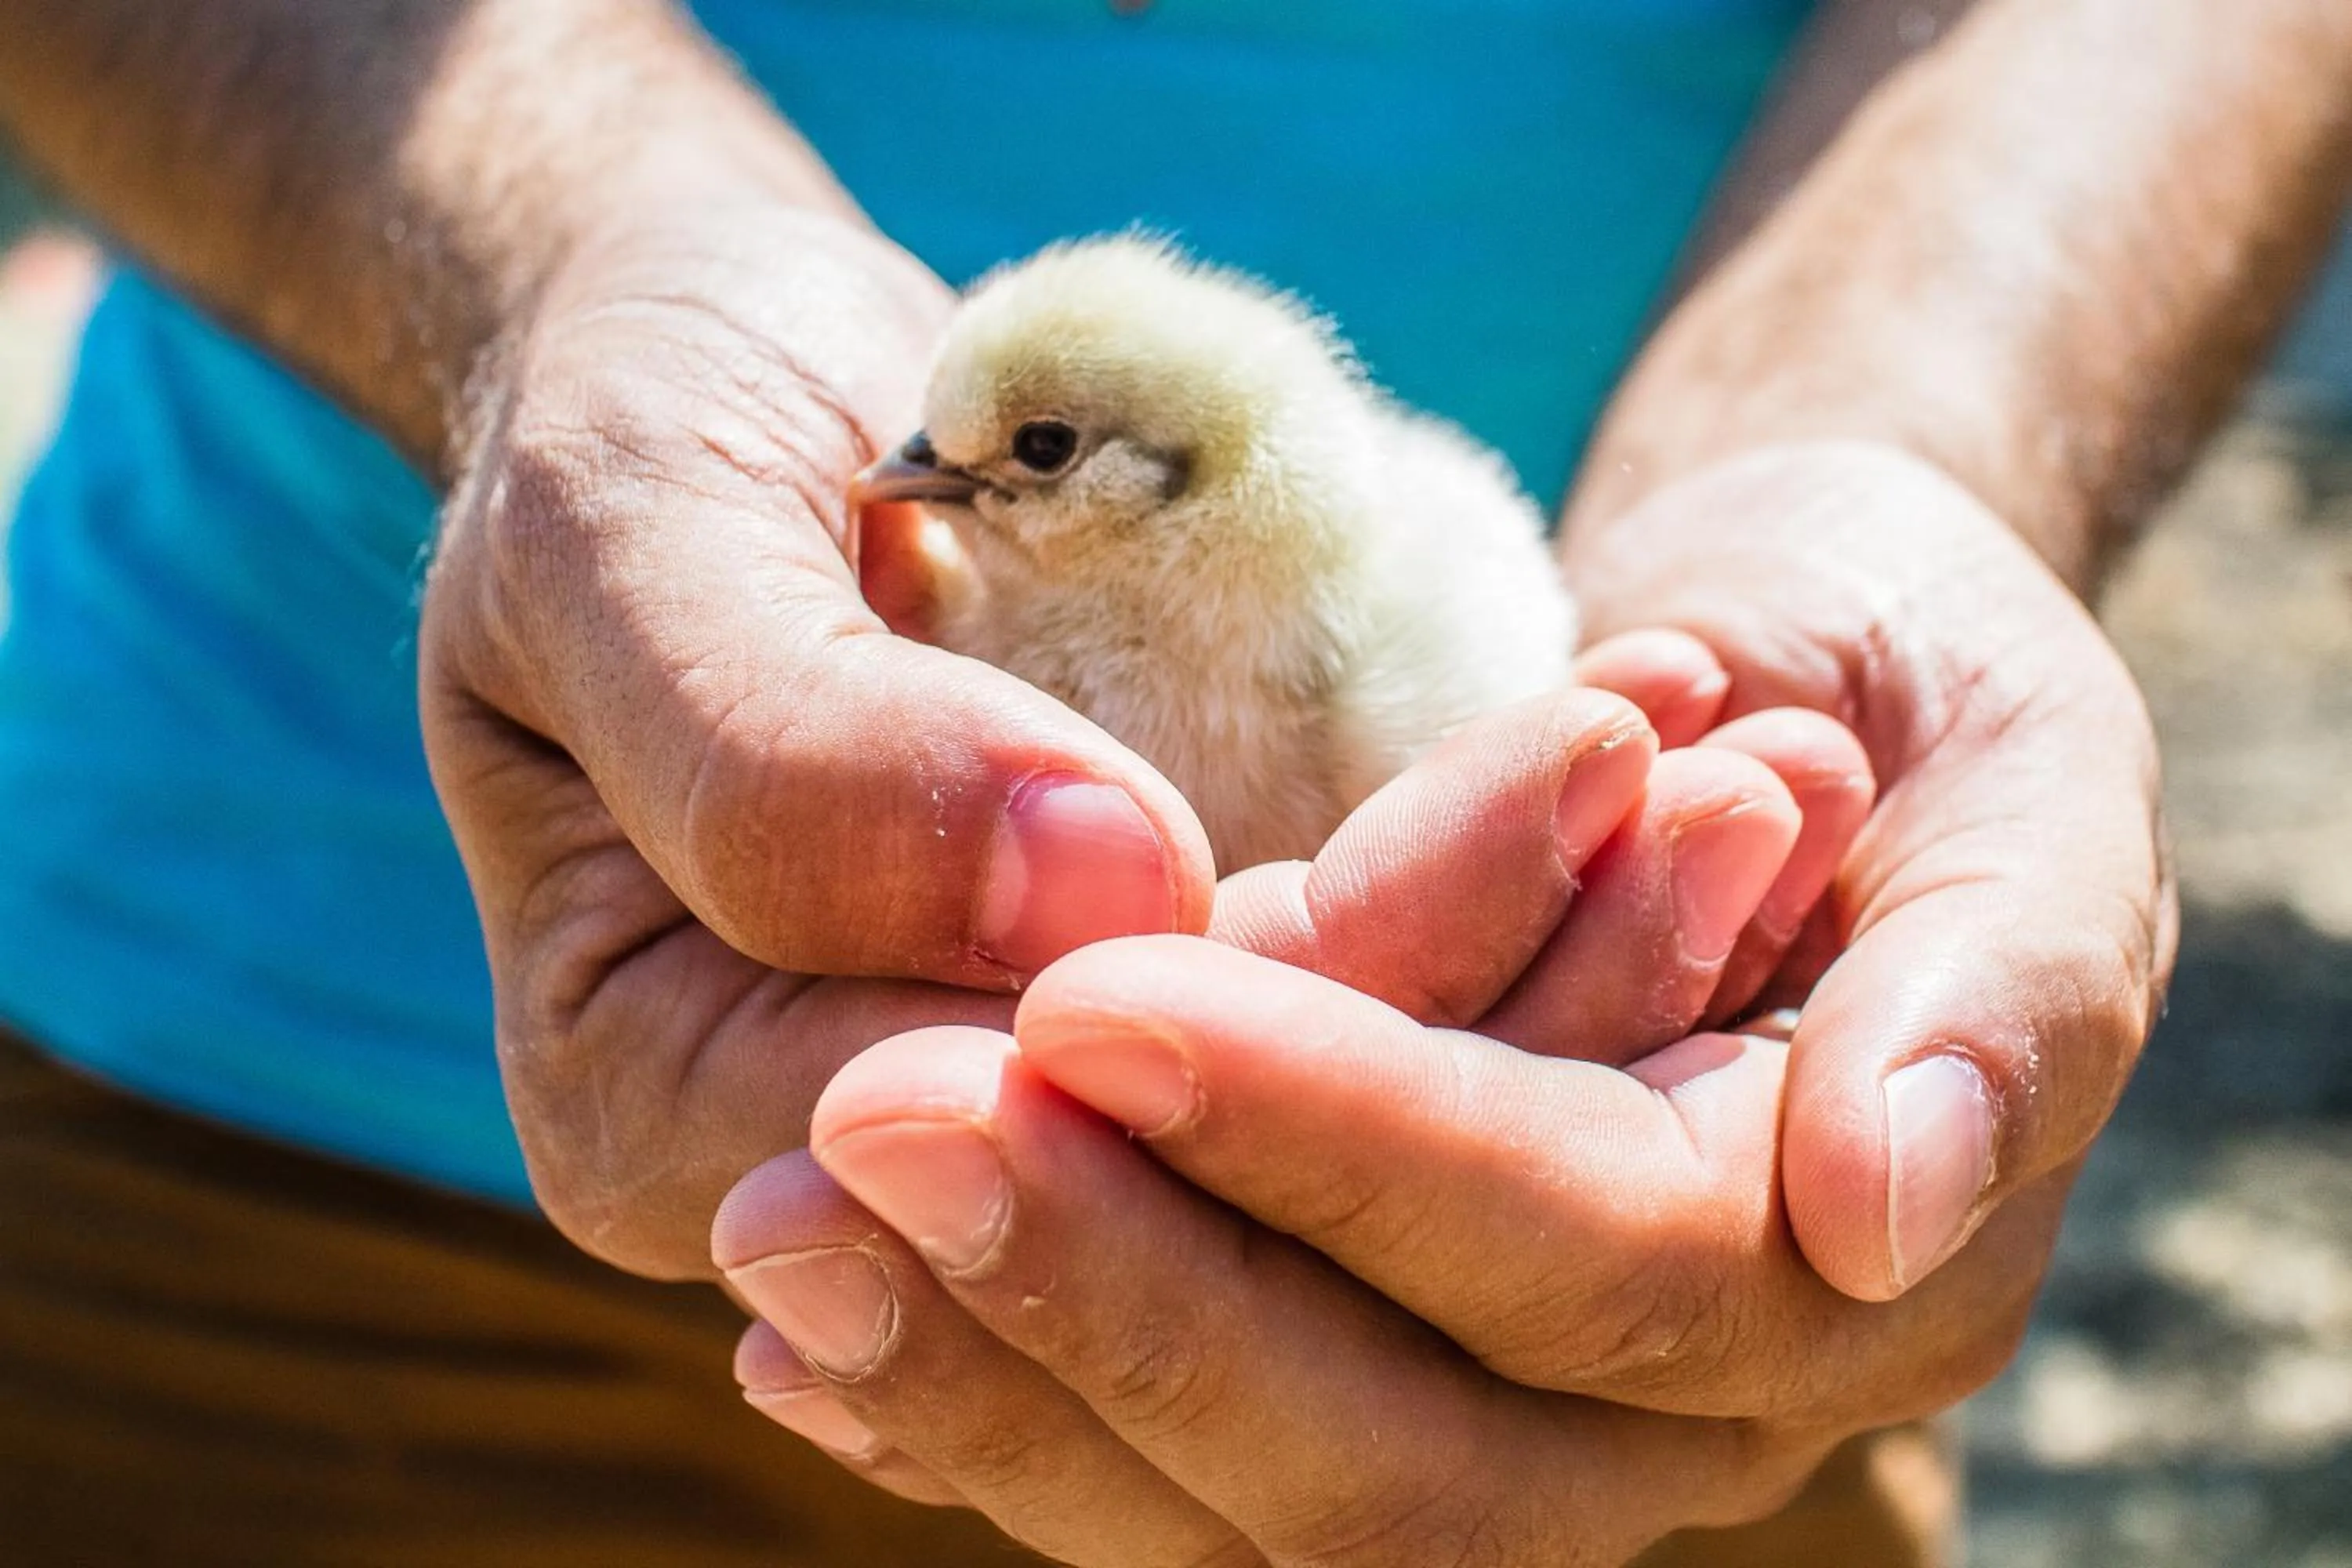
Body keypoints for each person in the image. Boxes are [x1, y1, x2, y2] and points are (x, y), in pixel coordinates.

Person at [0, 1, 2346, 1563]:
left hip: (1586, 1292)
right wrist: (567, 261)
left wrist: (1903, 432)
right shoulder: (1029, 564)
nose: (926, 487)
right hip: (249, 1143)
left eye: (1015, 458)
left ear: (1180, 477)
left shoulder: (1336, 610)